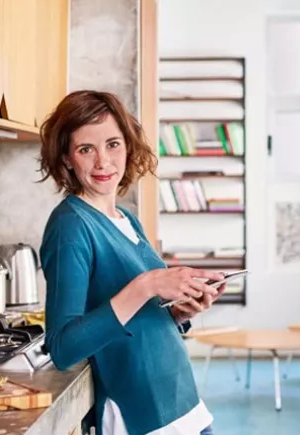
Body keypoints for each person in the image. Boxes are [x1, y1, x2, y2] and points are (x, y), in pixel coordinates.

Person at [38, 90, 225, 435]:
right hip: (141, 415)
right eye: (85, 149)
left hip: (184, 404)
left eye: (112, 144)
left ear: (128, 146)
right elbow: (63, 347)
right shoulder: (70, 226)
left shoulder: (125, 219)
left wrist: (177, 313)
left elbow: (136, 320)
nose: (103, 162)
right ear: (66, 159)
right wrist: (147, 284)